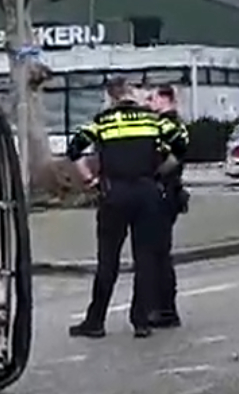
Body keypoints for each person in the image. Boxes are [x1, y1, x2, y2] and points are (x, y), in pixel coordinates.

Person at [66, 77, 188, 339]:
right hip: (147, 195)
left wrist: (90, 179)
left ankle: (96, 321)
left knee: (108, 259)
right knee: (144, 259)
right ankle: (141, 321)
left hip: (114, 194)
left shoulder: (103, 121)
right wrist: (158, 173)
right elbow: (180, 147)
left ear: (111, 97)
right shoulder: (154, 121)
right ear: (132, 93)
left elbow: (74, 148)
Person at [146, 85, 190, 328]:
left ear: (166, 99)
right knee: (158, 253)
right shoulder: (173, 124)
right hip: (168, 193)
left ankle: (165, 309)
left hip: (165, 193)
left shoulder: (170, 125)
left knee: (159, 253)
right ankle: (160, 307)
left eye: (152, 98)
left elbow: (174, 158)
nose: (149, 103)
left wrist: (154, 175)